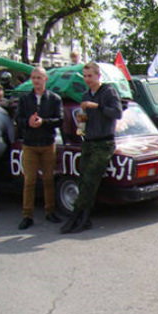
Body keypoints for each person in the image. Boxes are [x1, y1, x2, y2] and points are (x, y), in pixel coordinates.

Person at [60, 62, 122, 234]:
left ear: (98, 75)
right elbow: (84, 120)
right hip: (88, 141)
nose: (88, 79)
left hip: (104, 142)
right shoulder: (86, 94)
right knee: (83, 178)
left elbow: (117, 113)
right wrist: (81, 123)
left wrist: (98, 107)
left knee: (90, 180)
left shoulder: (108, 91)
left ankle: (78, 216)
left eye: (90, 76)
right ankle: (83, 217)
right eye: (85, 76)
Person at [16, 66, 63, 230]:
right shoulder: (24, 99)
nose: (36, 81)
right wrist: (27, 122)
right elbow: (18, 119)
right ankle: (27, 215)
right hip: (29, 145)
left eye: (39, 78)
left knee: (49, 179)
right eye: (33, 78)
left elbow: (59, 120)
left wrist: (44, 122)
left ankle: (50, 211)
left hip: (47, 144)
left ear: (45, 79)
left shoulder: (55, 99)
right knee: (29, 181)